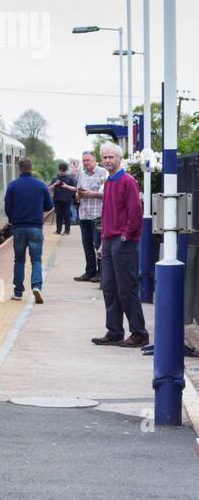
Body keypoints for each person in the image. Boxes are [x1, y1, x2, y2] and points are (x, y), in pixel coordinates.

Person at [92, 142, 148, 348]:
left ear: (119, 158)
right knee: (109, 288)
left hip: (124, 242)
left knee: (127, 288)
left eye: (111, 157)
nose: (107, 161)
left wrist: (125, 236)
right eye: (104, 157)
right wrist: (103, 241)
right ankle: (114, 331)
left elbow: (135, 213)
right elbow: (107, 213)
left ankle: (139, 333)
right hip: (109, 241)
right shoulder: (109, 182)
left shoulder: (127, 181)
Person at [3, 156, 54, 303]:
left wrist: (13, 218)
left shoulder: (13, 186)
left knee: (19, 260)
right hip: (35, 228)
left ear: (19, 169)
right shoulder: (41, 185)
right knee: (36, 260)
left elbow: (8, 208)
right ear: (31, 168)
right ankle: (37, 286)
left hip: (18, 228)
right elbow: (49, 206)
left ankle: (18, 292)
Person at [74, 150, 108, 282]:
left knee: (98, 244)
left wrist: (90, 194)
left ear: (94, 160)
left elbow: (107, 194)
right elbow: (77, 192)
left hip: (97, 215)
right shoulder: (81, 175)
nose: (85, 163)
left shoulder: (103, 173)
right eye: (84, 160)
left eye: (88, 160)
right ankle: (90, 272)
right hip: (84, 215)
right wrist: (78, 195)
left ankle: (101, 273)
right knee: (86, 244)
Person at [49, 162, 77, 235]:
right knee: (58, 215)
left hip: (67, 200)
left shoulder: (70, 179)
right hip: (57, 199)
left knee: (67, 215)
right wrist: (55, 184)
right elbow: (49, 189)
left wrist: (66, 186)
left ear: (66, 170)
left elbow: (75, 189)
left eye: (64, 170)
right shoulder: (55, 179)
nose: (62, 172)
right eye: (61, 170)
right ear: (59, 170)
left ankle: (67, 231)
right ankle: (58, 230)